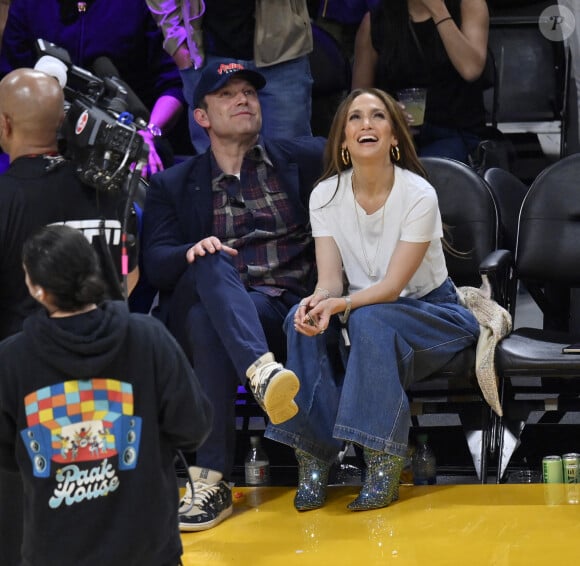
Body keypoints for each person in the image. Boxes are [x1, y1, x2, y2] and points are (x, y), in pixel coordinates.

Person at [264, 88, 480, 511]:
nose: (366, 124)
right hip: (365, 310)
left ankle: (382, 460)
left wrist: (341, 305)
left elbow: (393, 287)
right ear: (344, 141)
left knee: (371, 319)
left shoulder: (419, 194)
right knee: (298, 317)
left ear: (394, 137)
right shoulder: (324, 195)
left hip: (434, 314)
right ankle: (314, 456)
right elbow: (329, 280)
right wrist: (318, 302)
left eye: (378, 116)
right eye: (356, 118)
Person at [142, 61, 325, 530]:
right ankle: (261, 372)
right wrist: (190, 250)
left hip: (284, 309)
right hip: (217, 300)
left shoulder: (303, 159)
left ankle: (210, 482)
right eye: (228, 95)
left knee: (209, 322)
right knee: (209, 264)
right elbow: (157, 263)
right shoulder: (173, 184)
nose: (243, 99)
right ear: (201, 117)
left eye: (249, 92)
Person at [0, 224, 212, 566]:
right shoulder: (149, 338)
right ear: (95, 270)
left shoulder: (11, 360)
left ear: (36, 289)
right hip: (147, 546)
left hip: (54, 549)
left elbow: (7, 456)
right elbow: (193, 426)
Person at [0, 68, 139, 341]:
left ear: (4, 124)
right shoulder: (109, 185)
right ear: (63, 120)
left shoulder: (4, 197)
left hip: (27, 368)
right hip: (112, 354)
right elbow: (129, 277)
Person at [0, 0, 187, 176]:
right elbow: (9, 80)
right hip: (45, 143)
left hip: (124, 140)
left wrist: (149, 133)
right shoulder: (29, 5)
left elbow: (172, 85)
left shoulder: (136, 6)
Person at [145, 0, 314, 153]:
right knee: (217, 175)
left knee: (288, 164)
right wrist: (176, 41)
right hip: (204, 53)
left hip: (282, 51)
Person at [352, 0, 489, 163]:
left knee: (427, 172)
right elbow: (358, 99)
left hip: (455, 132)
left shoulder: (468, 5)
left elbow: (471, 69)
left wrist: (438, 10)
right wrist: (386, 110)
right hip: (396, 134)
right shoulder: (376, 21)